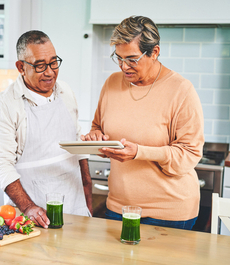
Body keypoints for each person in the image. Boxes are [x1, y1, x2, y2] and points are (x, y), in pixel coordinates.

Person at [81, 16, 204, 230]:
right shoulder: (111, 84)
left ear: (154, 52)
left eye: (132, 59)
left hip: (169, 212)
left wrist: (139, 152)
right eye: (118, 58)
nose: (124, 66)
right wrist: (95, 138)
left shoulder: (181, 90)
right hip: (118, 208)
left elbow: (189, 154)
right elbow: (97, 127)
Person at [0, 30, 92, 228]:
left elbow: (77, 142)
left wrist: (87, 189)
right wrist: (28, 208)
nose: (50, 72)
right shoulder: (6, 105)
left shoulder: (65, 91)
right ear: (21, 67)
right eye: (40, 66)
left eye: (53, 63)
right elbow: (1, 165)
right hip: (34, 216)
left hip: (75, 208)